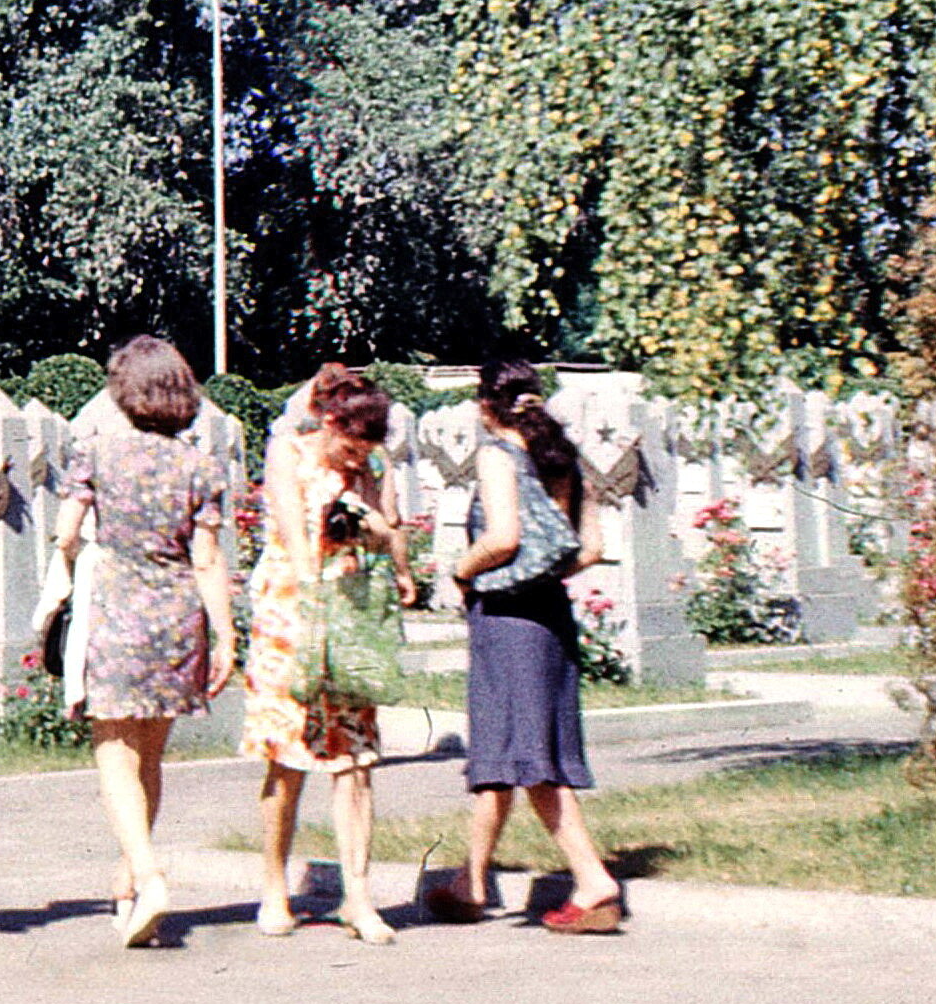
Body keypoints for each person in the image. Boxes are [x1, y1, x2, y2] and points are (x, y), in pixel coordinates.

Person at [430, 357, 629, 933]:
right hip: (550, 616)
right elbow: (589, 549)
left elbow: (502, 538)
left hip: (507, 619)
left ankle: (592, 881)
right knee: (502, 751)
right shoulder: (561, 457)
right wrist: (539, 575)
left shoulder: (498, 455)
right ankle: (470, 882)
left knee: (532, 760)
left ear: (485, 405)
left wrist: (460, 572)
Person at [54, 336, 237, 949]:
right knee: (150, 758)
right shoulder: (200, 467)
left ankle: (149, 876)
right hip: (177, 617)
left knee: (113, 752)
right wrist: (225, 635)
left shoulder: (96, 454)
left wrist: (68, 560)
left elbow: (67, 532)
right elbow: (207, 558)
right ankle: (129, 887)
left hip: (116, 613)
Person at [243, 363, 415, 944]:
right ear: (330, 423)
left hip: (352, 619)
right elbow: (295, 539)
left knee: (355, 759)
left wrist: (380, 536)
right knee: (287, 758)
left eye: (366, 450)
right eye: (349, 447)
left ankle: (358, 896)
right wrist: (316, 586)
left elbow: (391, 534)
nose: (355, 458)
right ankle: (274, 888)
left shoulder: (372, 467)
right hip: (291, 618)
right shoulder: (288, 453)